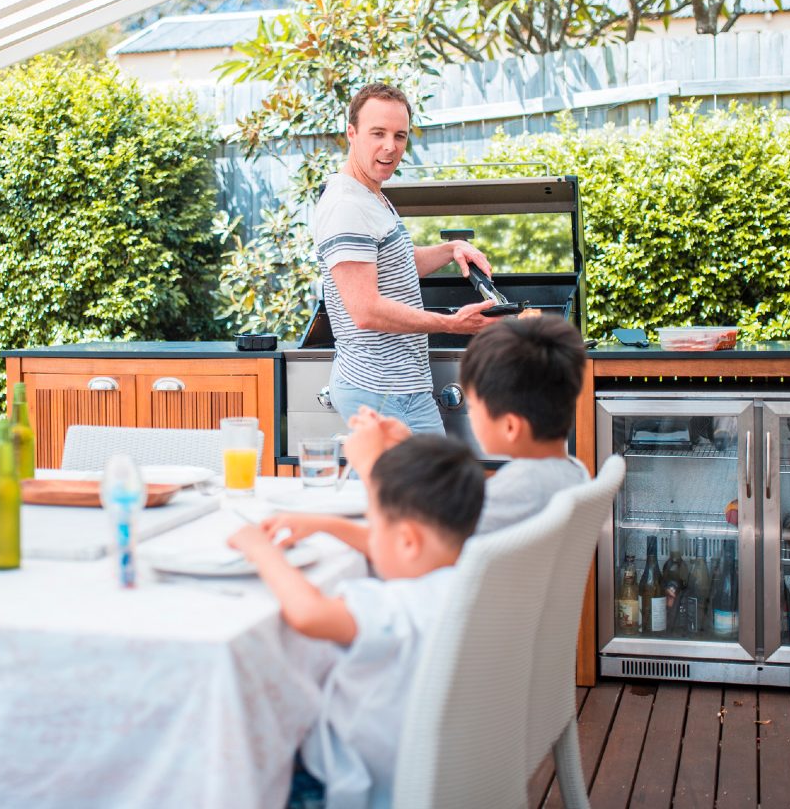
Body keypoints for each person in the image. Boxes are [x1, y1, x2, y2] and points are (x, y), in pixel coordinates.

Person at [228, 435, 485, 809]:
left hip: (355, 782)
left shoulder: (394, 607)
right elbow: (400, 547)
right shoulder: (474, 582)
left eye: (374, 525)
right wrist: (326, 525)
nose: (371, 537)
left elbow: (309, 614)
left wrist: (261, 551)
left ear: (408, 542)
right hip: (440, 769)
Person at [314, 82, 498, 435]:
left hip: (404, 387)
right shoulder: (346, 206)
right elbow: (365, 311)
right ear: (351, 133)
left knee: (431, 489)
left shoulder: (372, 195)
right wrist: (449, 323)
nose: (390, 146)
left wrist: (450, 249)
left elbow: (396, 264)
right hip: (377, 390)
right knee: (410, 491)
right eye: (378, 133)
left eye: (400, 135)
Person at [459, 313, 588, 533]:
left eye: (472, 407)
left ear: (510, 427)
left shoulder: (506, 496)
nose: (470, 415)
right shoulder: (577, 471)